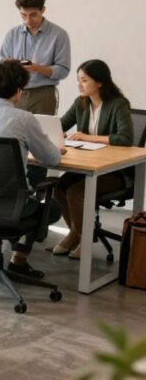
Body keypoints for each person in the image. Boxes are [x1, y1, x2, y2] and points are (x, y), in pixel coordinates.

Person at [0, 59, 63, 279]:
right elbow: (51, 158)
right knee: (51, 207)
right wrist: (57, 149)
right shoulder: (24, 119)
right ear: (18, 91)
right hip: (11, 209)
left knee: (32, 174)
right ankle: (18, 260)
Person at [51, 59, 133, 260]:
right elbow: (60, 125)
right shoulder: (81, 103)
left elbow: (125, 138)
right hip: (88, 165)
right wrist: (54, 132)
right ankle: (76, 234)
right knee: (58, 187)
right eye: (78, 79)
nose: (79, 84)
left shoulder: (118, 104)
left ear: (100, 82)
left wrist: (88, 137)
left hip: (115, 171)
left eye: (84, 80)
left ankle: (83, 239)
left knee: (75, 192)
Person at [0, 0, 71, 115]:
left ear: (43, 10)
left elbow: (63, 70)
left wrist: (37, 68)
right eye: (23, 15)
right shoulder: (12, 34)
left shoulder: (59, 35)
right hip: (14, 93)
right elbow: (0, 63)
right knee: (13, 128)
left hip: (43, 95)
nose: (28, 21)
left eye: (33, 15)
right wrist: (10, 65)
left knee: (43, 127)